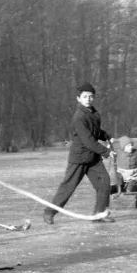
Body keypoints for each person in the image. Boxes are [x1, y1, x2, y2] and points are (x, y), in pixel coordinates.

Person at [44, 83, 115, 224]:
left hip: (93, 158)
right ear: (79, 99)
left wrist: (105, 135)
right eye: (85, 97)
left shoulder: (93, 113)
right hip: (79, 157)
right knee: (68, 187)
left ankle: (100, 213)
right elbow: (88, 140)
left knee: (104, 183)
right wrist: (106, 152)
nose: (88, 99)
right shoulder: (79, 117)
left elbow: (94, 132)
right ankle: (49, 212)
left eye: (90, 96)